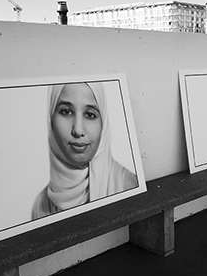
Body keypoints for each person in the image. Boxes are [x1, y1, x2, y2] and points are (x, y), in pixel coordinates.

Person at [32, 82, 138, 219]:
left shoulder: (128, 185)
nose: (78, 130)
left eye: (90, 114)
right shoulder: (40, 205)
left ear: (103, 124)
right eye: (66, 112)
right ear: (51, 120)